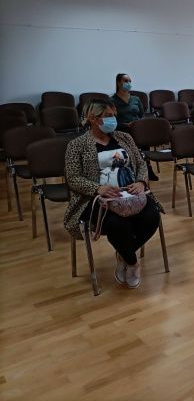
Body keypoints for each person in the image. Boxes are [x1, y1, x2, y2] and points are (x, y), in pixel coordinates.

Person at [64, 99, 162, 289]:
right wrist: (97, 188)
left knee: (152, 217)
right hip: (96, 199)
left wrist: (141, 182)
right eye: (108, 116)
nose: (114, 120)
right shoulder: (77, 145)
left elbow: (141, 163)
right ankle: (132, 262)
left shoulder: (124, 138)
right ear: (93, 118)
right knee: (117, 225)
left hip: (131, 194)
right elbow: (73, 178)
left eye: (114, 115)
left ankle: (124, 254)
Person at [110, 73, 158, 181]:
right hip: (122, 129)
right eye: (126, 81)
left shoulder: (136, 99)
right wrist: (125, 125)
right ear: (118, 82)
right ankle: (131, 171)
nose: (128, 83)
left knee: (144, 139)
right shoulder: (112, 100)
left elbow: (141, 115)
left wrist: (138, 124)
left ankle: (148, 169)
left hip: (137, 128)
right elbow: (112, 119)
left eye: (130, 81)